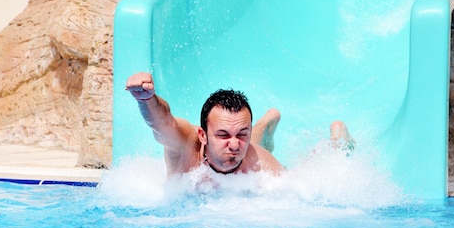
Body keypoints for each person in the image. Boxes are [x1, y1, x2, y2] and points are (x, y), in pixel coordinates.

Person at [126, 72, 353, 176]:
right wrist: (146, 99)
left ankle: (338, 141)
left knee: (256, 147)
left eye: (242, 133)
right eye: (222, 135)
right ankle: (267, 122)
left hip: (257, 153)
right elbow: (162, 123)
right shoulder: (187, 146)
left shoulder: (260, 164)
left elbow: (301, 188)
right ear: (203, 135)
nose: (234, 144)